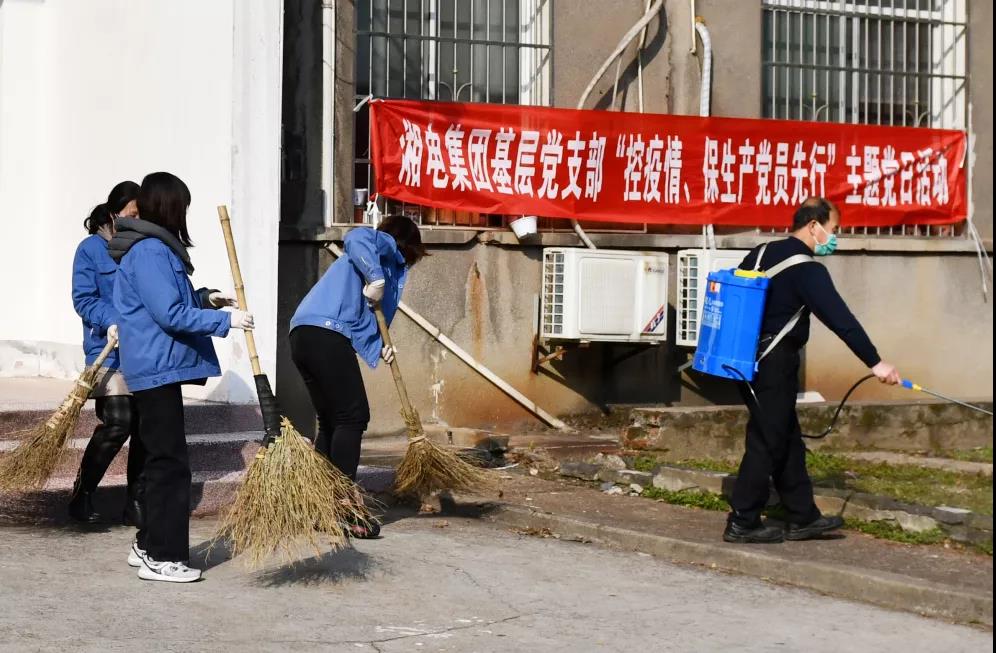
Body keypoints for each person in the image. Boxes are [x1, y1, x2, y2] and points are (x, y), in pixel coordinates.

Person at [724, 197, 901, 544]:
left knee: (785, 436)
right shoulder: (807, 269)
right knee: (766, 440)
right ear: (814, 225)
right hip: (774, 362)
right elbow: (841, 319)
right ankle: (742, 521)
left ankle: (802, 516)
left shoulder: (762, 252)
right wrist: (875, 362)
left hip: (743, 358)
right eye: (833, 230)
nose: (834, 238)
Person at [110, 172, 252, 582]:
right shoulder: (151, 251)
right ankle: (163, 556)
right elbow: (170, 314)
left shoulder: (152, 248)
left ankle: (147, 544)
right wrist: (225, 321)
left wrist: (207, 299)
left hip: (156, 367)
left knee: (161, 461)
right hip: (156, 369)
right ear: (170, 206)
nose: (184, 214)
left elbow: (172, 301)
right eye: (182, 206)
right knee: (170, 465)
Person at [289, 216, 427, 538]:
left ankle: (320, 505)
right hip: (326, 333)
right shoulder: (382, 245)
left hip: (303, 334)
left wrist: (379, 348)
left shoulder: (375, 260)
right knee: (353, 416)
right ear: (408, 244)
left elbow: (358, 314)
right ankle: (344, 507)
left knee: (332, 421)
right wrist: (377, 278)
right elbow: (356, 237)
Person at [70, 181, 145, 525]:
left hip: (143, 351)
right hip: (108, 351)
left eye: (141, 215)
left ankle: (136, 502)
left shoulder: (143, 248)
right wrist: (112, 321)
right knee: (118, 422)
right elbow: (84, 299)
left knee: (144, 428)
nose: (137, 220)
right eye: (131, 214)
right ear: (114, 214)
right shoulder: (90, 249)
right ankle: (83, 491)